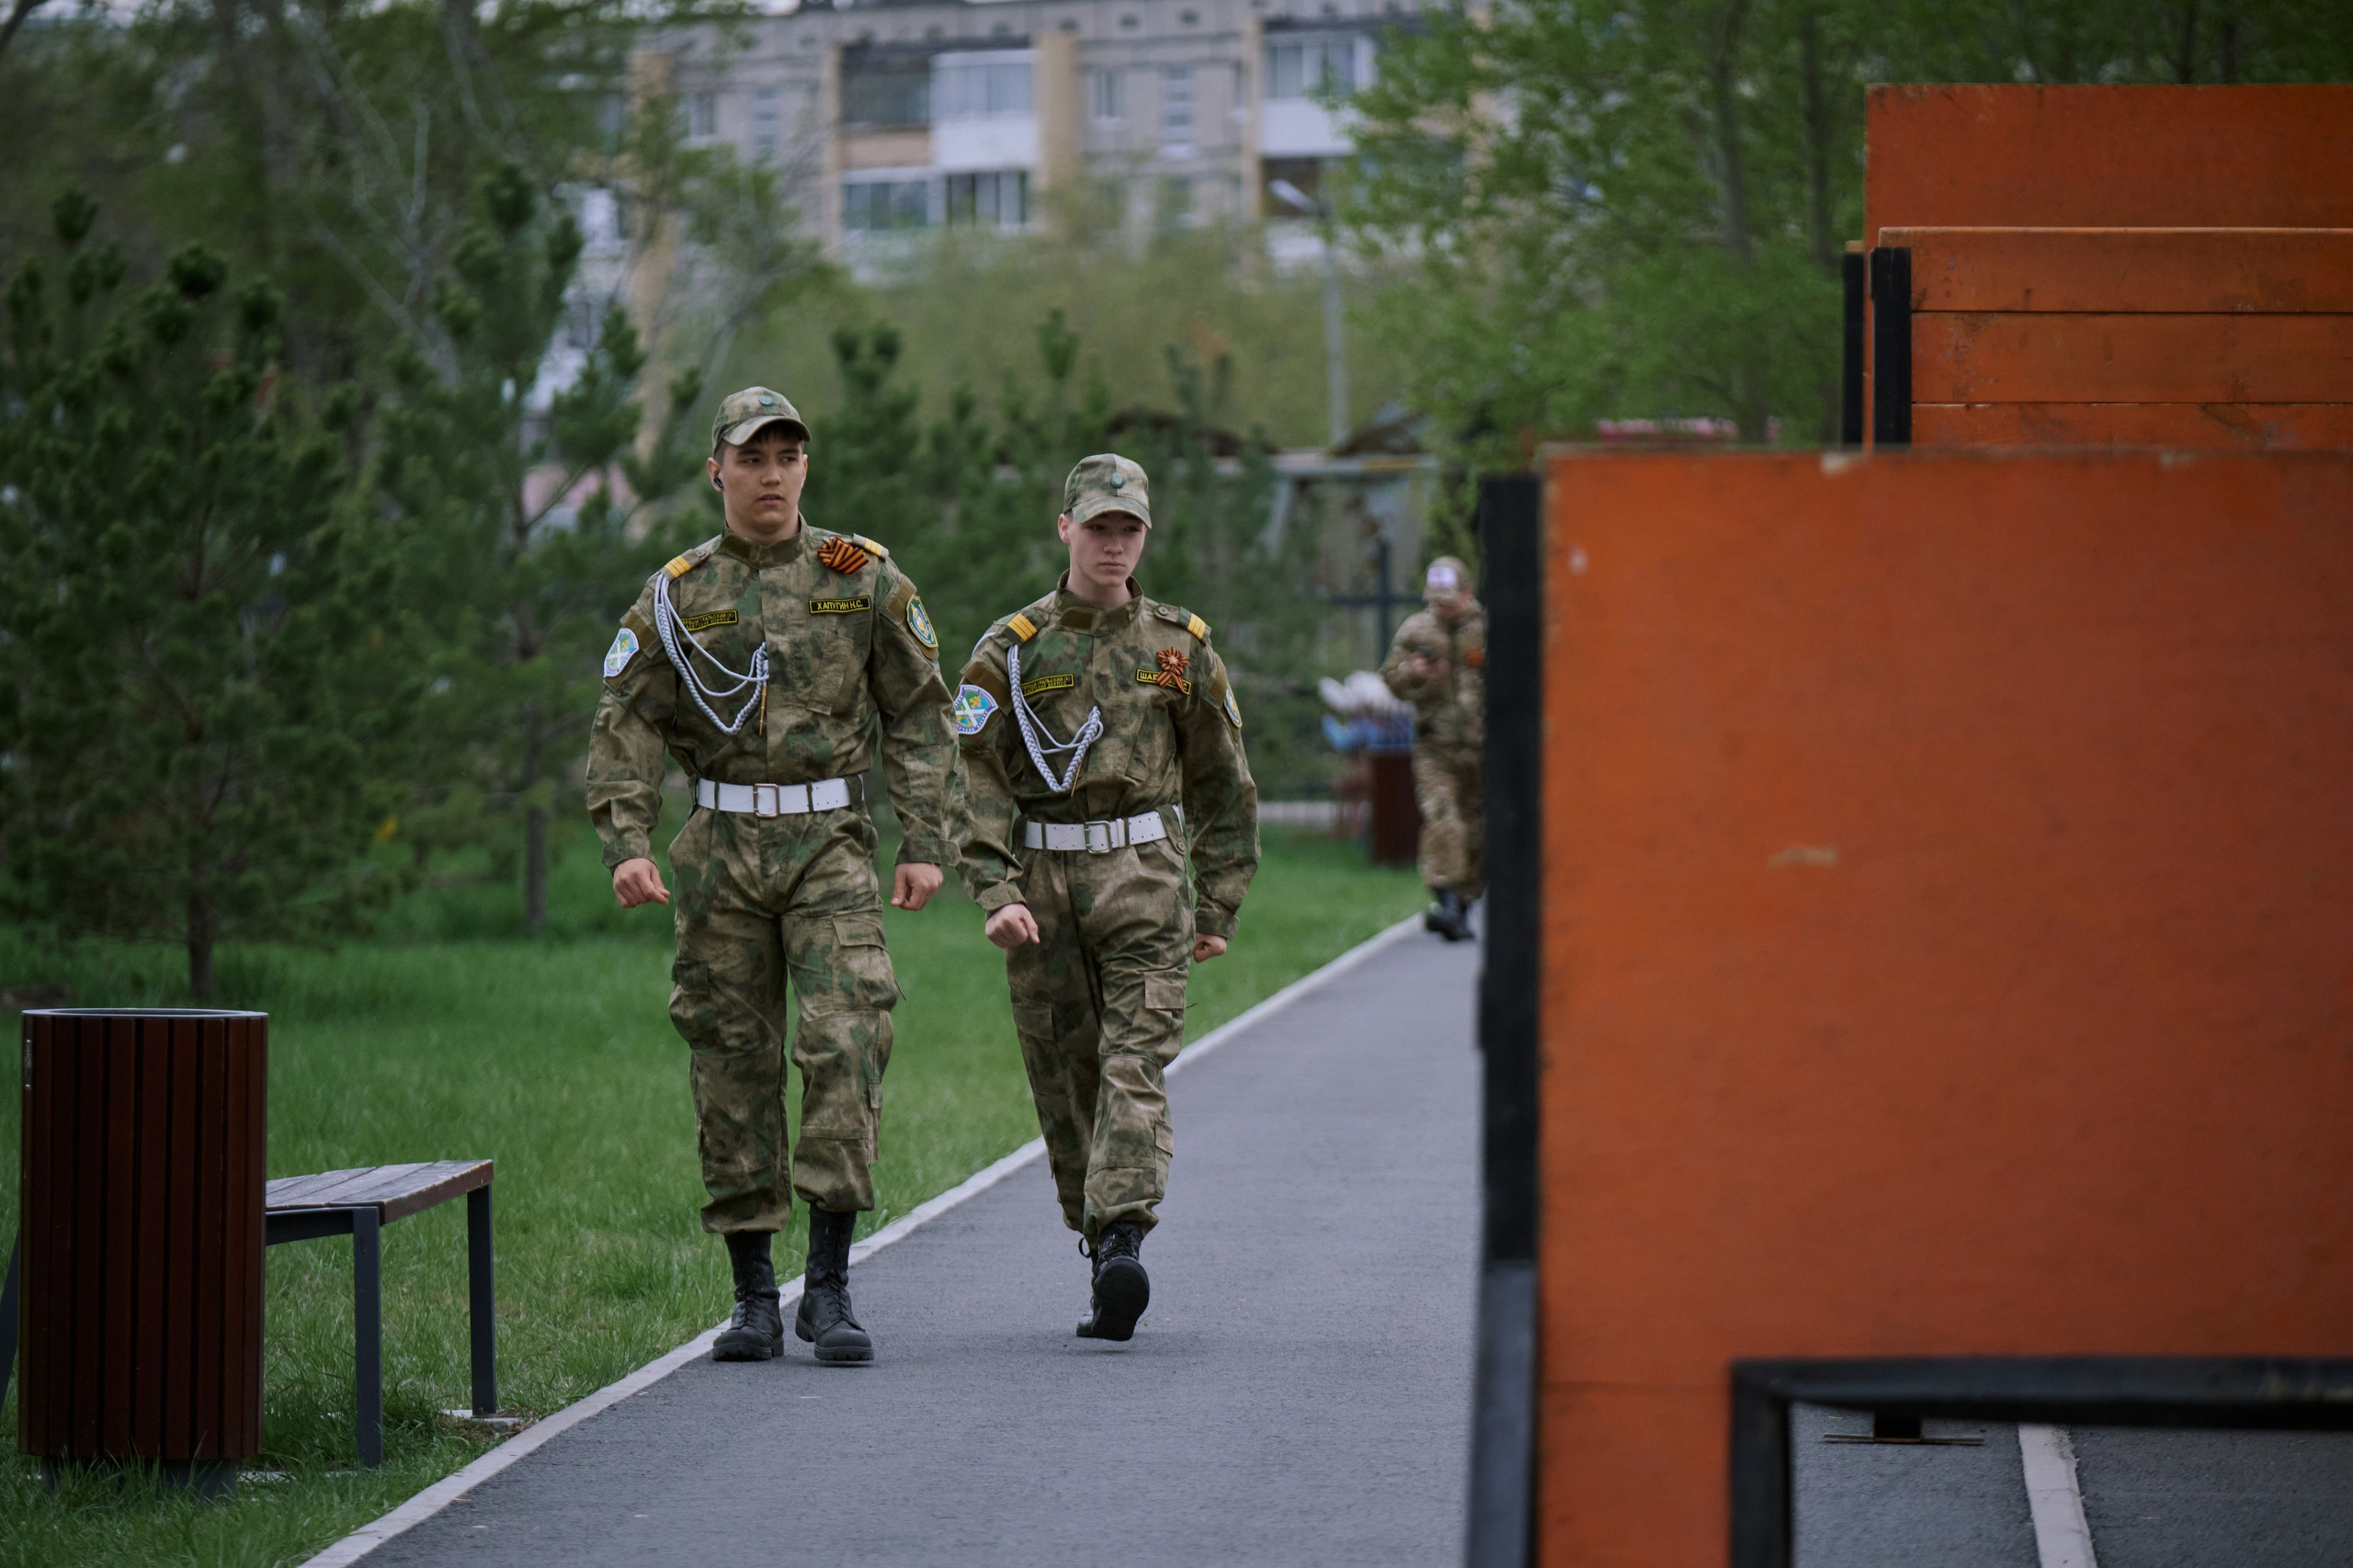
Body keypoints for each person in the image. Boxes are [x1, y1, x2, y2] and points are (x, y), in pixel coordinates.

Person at [587, 386, 956, 1366]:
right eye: (752, 457)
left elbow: (921, 709)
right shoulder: (677, 593)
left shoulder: (861, 578)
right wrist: (626, 836)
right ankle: (754, 1293)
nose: (772, 474)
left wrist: (925, 838)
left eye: (788, 456)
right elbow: (624, 715)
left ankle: (827, 1288)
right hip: (720, 851)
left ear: (805, 468)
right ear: (717, 469)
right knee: (731, 1060)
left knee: (845, 1040)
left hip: (830, 840)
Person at [952, 453, 1259, 1342]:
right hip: (1043, 890)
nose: (1114, 545)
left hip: (1147, 879)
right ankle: (1099, 1247)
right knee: (1067, 1079)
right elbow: (969, 779)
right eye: (1099, 528)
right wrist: (992, 887)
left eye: (1129, 530)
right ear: (1065, 529)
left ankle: (1123, 1237)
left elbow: (1223, 782)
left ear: (1145, 535)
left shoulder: (1180, 647)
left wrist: (1220, 901)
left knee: (1134, 1062)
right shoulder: (1009, 651)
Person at [1380, 555, 1485, 942]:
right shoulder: (1417, 631)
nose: (1442, 606)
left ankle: (1461, 906)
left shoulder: (1486, 630)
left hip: (1482, 750)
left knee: (1478, 833)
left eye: (1449, 598)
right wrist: (1413, 673)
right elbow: (1391, 680)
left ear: (1467, 593)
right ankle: (1448, 902)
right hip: (1435, 747)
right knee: (1445, 822)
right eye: (1436, 598)